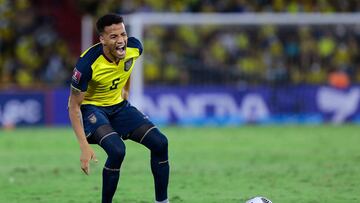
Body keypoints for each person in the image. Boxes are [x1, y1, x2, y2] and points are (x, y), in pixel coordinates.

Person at [68, 13, 170, 203]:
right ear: (102, 39)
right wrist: (83, 147)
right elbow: (73, 106)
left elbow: (127, 67)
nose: (121, 40)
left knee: (160, 143)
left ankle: (162, 202)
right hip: (92, 110)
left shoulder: (134, 47)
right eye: (113, 37)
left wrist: (126, 89)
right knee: (117, 151)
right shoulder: (86, 64)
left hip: (119, 107)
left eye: (123, 34)